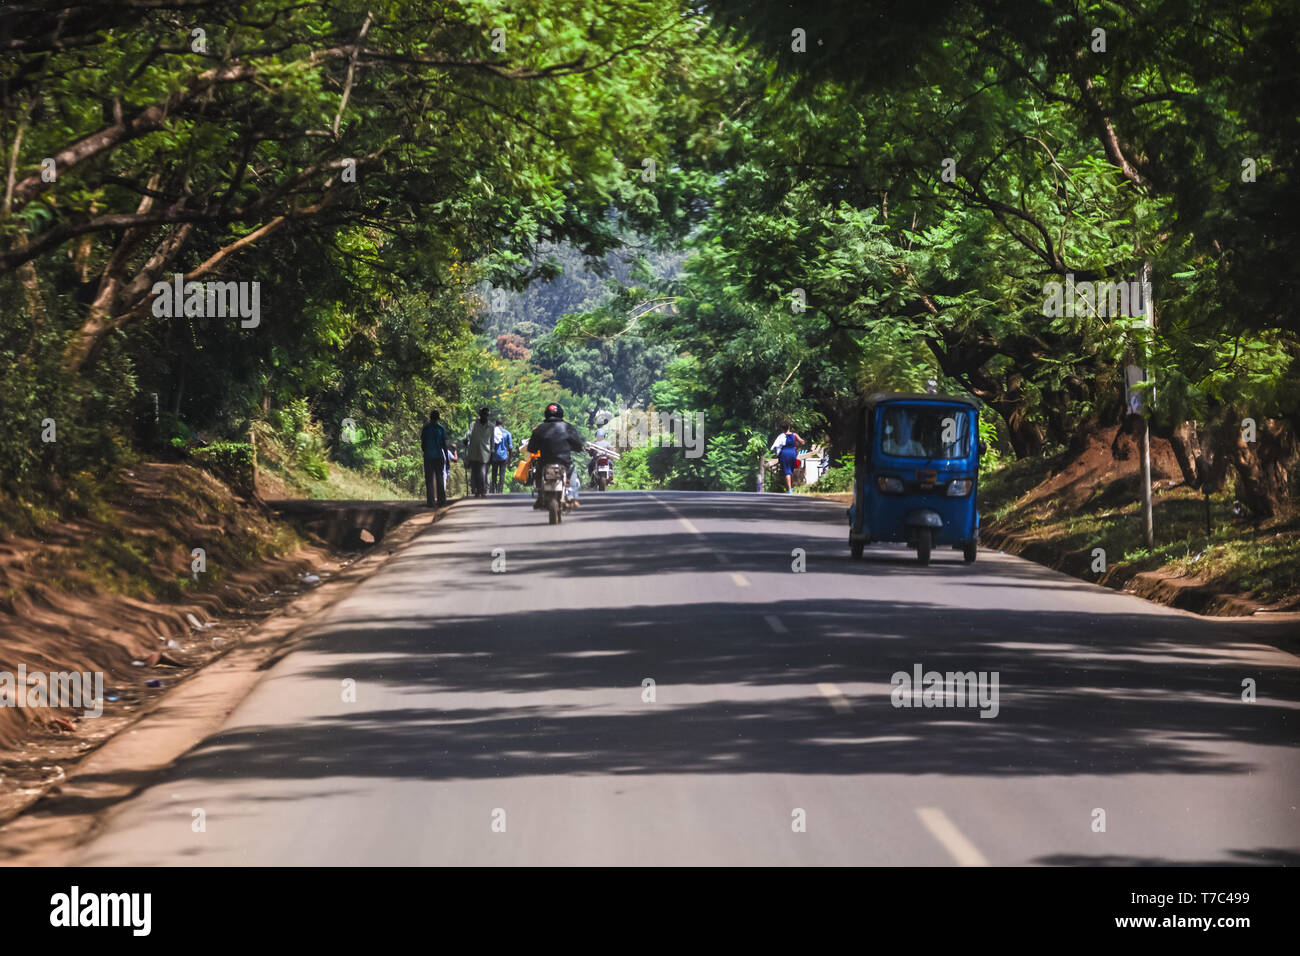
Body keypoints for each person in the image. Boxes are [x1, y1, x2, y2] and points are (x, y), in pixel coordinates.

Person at [526, 402, 585, 509]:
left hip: (544, 463)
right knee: (573, 472)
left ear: (546, 414)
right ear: (561, 414)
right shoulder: (568, 427)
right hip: (564, 462)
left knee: (537, 472)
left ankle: (540, 496)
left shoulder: (539, 429)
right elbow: (578, 445)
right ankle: (572, 496)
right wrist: (577, 448)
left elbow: (531, 448)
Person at [462, 407, 494, 498]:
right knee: (475, 472)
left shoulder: (491, 426)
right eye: (483, 414)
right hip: (474, 452)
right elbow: (468, 434)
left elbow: (492, 440)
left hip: (485, 453)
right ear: (480, 415)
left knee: (483, 472)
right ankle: (476, 490)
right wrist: (465, 439)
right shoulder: (473, 424)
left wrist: (492, 452)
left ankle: (482, 491)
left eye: (486, 415)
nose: (485, 416)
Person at [420, 410, 449, 507]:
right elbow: (444, 445)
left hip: (428, 456)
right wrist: (447, 459)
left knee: (429, 479)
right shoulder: (440, 429)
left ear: (430, 417)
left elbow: (423, 444)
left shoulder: (426, 429)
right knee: (439, 477)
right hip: (439, 456)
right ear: (438, 418)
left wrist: (426, 451)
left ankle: (431, 502)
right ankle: (441, 501)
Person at [770, 423, 805, 493]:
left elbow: (776, 445)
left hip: (784, 454)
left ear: (782, 428)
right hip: (792, 453)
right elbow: (802, 442)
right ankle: (791, 488)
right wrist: (797, 447)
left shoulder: (781, 436)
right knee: (791, 471)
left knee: (787, 471)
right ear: (789, 427)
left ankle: (789, 490)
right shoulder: (794, 435)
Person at [489, 418, 513, 494]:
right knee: (502, 474)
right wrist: (510, 457)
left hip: (494, 456)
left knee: (494, 473)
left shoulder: (492, 432)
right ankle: (500, 490)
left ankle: (493, 489)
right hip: (504, 457)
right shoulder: (507, 433)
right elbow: (510, 447)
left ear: (495, 424)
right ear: (502, 424)